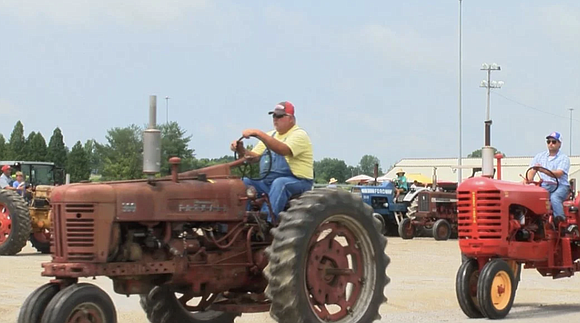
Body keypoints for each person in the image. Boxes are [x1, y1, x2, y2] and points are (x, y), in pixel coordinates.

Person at [230, 101, 314, 223]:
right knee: (243, 182)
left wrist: (258, 133)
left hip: (298, 181)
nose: (275, 119)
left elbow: (283, 150)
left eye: (279, 116)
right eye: (273, 116)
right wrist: (241, 149)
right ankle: (240, 219)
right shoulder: (271, 135)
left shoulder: (299, 135)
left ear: (290, 118)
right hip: (268, 182)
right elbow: (254, 157)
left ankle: (266, 220)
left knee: (280, 183)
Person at [525, 131, 570, 227]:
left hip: (560, 186)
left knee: (555, 198)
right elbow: (532, 171)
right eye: (548, 141)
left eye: (554, 142)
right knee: (533, 196)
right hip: (545, 185)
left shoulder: (563, 158)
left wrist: (543, 170)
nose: (550, 144)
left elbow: (559, 173)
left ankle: (560, 223)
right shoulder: (540, 156)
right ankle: (535, 222)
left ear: (559, 144)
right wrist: (529, 181)